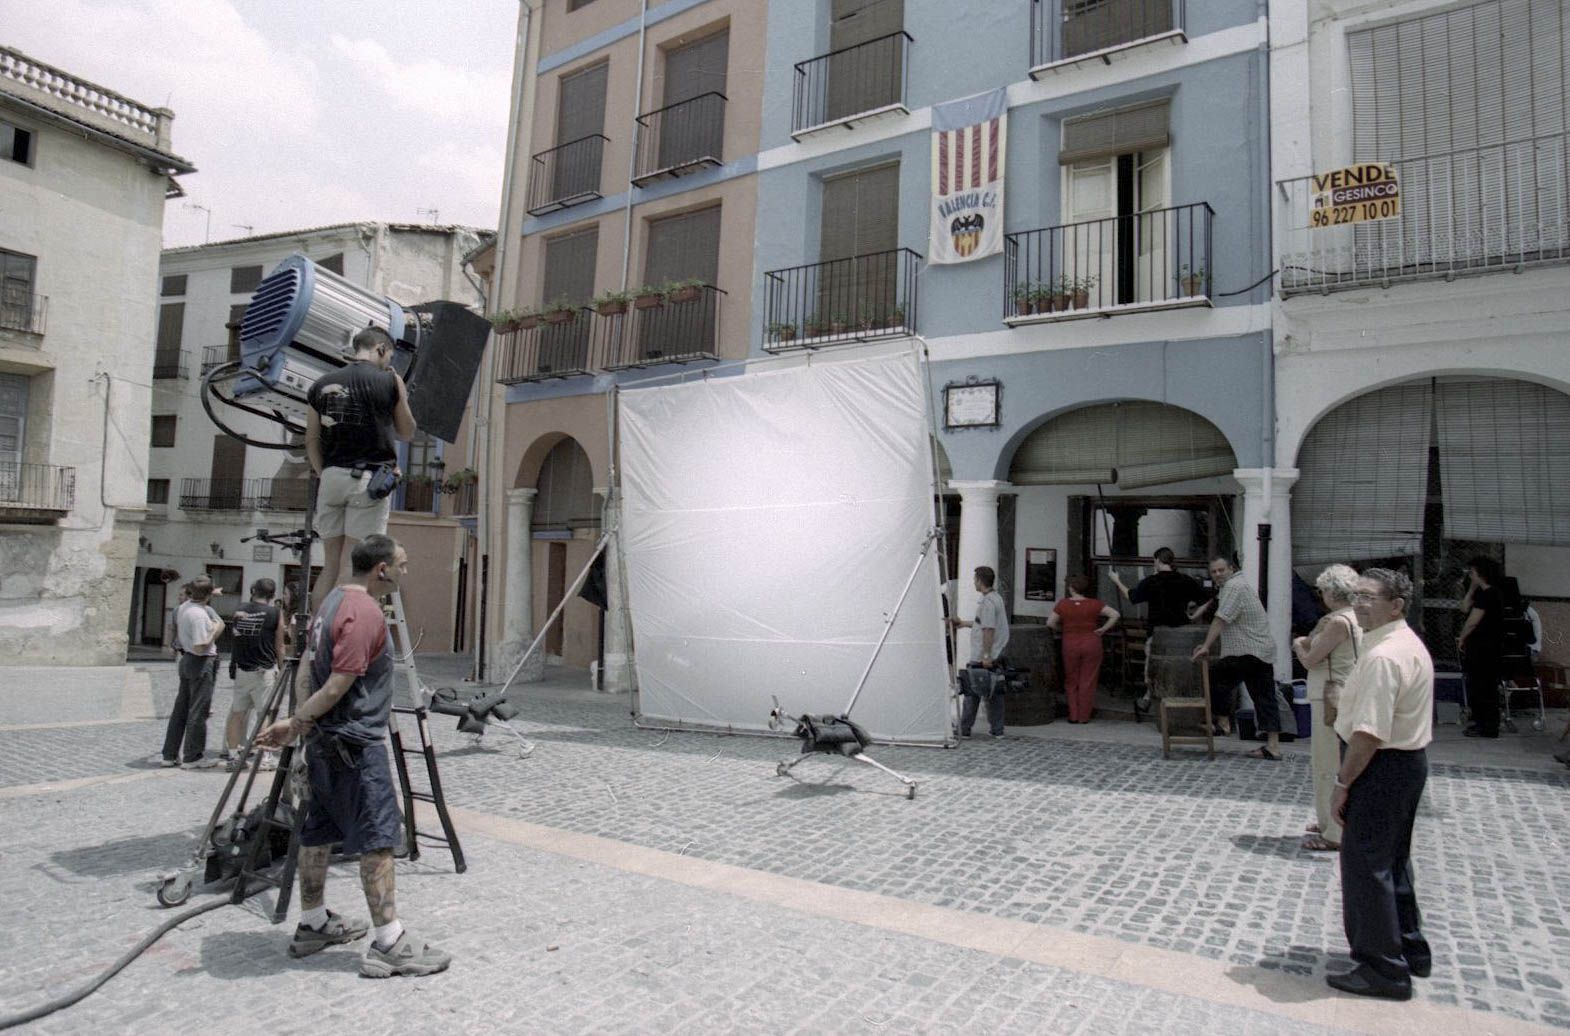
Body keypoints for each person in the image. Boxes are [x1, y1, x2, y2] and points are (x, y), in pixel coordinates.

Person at [257, 534, 451, 977]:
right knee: (379, 839)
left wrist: (303, 727)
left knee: (317, 832)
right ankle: (390, 942)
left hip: (326, 744)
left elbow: (308, 664)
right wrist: (296, 724)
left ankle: (312, 923)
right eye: (402, 563)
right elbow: (338, 683)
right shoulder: (364, 612)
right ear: (381, 569)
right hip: (355, 746)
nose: (406, 570)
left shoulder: (330, 603)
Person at [1327, 567, 1433, 1001]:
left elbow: (1369, 733)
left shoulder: (1384, 656)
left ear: (1396, 605)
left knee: (1367, 866)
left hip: (1381, 765)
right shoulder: (1399, 643)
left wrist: (1342, 782)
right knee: (1391, 860)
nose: (1360, 603)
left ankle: (1382, 969)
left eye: (1370, 596)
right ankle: (1409, 947)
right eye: (1357, 595)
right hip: (1404, 764)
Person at [305, 326, 416, 611]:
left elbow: (311, 439)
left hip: (331, 477)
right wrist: (400, 392)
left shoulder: (320, 385)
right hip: (367, 481)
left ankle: (318, 639)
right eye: (389, 356)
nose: (389, 363)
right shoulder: (388, 381)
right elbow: (406, 432)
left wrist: (323, 472)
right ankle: (341, 635)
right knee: (350, 567)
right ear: (380, 349)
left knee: (329, 566)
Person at [1292, 564, 1362, 852]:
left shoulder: (1338, 622)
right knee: (1330, 760)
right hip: (1344, 689)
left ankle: (1334, 830)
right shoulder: (1354, 617)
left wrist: (1298, 645)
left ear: (1332, 593)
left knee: (1327, 762)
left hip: (1331, 694)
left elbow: (1310, 658)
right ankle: (1326, 819)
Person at [1191, 556, 1283, 758]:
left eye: (1221, 570)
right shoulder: (1234, 586)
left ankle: (1223, 723)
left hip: (1248, 650)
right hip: (1261, 650)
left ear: (1231, 569)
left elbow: (1221, 618)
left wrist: (1206, 646)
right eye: (1213, 572)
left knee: (1215, 675)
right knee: (1265, 698)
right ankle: (1273, 746)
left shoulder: (1234, 586)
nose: (1217, 575)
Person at [1109, 547, 1203, 711]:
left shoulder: (1152, 581)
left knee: (1152, 668)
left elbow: (1131, 596)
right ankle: (1172, 701)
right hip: (1180, 636)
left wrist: (1116, 580)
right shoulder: (1185, 580)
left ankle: (1150, 699)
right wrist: (1193, 614)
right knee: (1178, 669)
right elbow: (1206, 598)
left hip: (1157, 634)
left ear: (1158, 561)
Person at [157, 576, 225, 768]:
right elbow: (201, 646)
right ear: (207, 596)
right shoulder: (199, 616)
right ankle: (193, 756)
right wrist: (216, 629)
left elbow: (202, 596)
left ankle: (169, 754)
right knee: (198, 710)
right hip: (200, 661)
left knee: (180, 709)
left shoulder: (184, 607)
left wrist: (211, 592)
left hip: (186, 660)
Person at [225, 578, 286, 771]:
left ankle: (233, 756)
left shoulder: (239, 610)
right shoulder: (275, 613)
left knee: (237, 713)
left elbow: (235, 638)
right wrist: (281, 665)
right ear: (272, 595)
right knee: (264, 714)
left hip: (243, 668)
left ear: (253, 590)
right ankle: (264, 756)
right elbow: (280, 644)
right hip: (263, 670)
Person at [1048, 574, 1119, 723]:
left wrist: (1062, 630)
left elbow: (1050, 623)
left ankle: (1073, 715)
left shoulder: (1063, 604)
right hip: (1092, 642)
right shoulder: (1095, 604)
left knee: (1071, 680)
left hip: (1070, 642)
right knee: (1088, 680)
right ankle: (1084, 716)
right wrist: (1103, 629)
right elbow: (1115, 614)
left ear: (1071, 588)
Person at [949, 566, 1010, 738]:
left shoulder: (988, 603)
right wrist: (964, 623)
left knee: (972, 689)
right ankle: (997, 729)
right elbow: (982, 623)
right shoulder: (995, 598)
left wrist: (986, 655)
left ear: (980, 581)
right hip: (993, 652)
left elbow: (988, 629)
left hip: (984, 655)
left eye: (975, 579)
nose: (973, 582)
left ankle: (965, 728)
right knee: (993, 691)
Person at [1457, 556, 1505, 739]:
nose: (1470, 575)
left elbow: (1472, 620)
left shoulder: (1490, 594)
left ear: (1481, 574)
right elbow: (1464, 608)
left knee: (1484, 686)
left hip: (1485, 647)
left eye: (1473, 573)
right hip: (1481, 646)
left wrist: (1461, 637)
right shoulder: (1481, 593)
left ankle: (1488, 725)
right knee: (1478, 685)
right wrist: (1471, 589)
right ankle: (1481, 723)